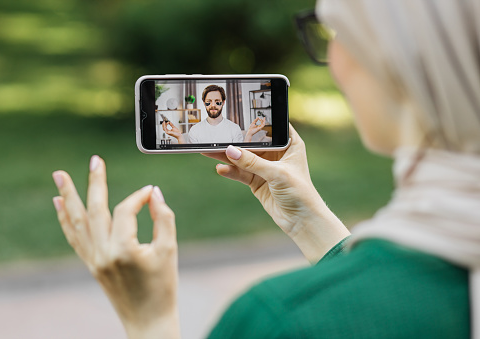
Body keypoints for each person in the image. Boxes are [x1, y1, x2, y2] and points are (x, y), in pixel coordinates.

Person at [52, 0, 480, 338]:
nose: (332, 60)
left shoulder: (282, 321)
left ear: (403, 62)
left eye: (339, 32)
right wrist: (311, 223)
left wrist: (149, 322)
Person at [162, 84, 266, 144]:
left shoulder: (234, 128)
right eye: (208, 102)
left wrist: (249, 135)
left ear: (223, 102)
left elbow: (241, 157)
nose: (213, 105)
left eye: (217, 102)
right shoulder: (195, 130)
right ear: (204, 103)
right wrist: (180, 137)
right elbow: (189, 158)